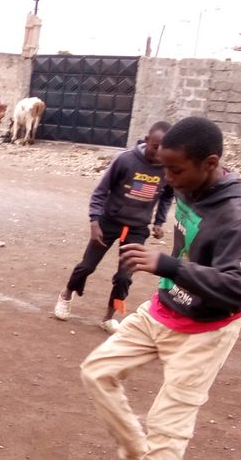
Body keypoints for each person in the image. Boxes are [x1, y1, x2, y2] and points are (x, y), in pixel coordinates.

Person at [80, 116, 241, 460]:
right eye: (164, 167)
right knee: (97, 372)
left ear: (210, 164)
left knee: (167, 428)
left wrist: (168, 265)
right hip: (163, 310)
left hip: (205, 331)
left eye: (176, 170)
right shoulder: (186, 182)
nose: (167, 179)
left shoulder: (235, 216)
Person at [54, 121, 173, 333]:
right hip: (108, 223)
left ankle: (108, 317)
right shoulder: (125, 160)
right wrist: (94, 221)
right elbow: (100, 192)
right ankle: (66, 294)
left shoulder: (167, 168)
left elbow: (167, 195)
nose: (158, 153)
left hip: (137, 229)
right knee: (87, 266)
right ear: (147, 140)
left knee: (124, 277)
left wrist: (159, 221)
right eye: (155, 147)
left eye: (164, 149)